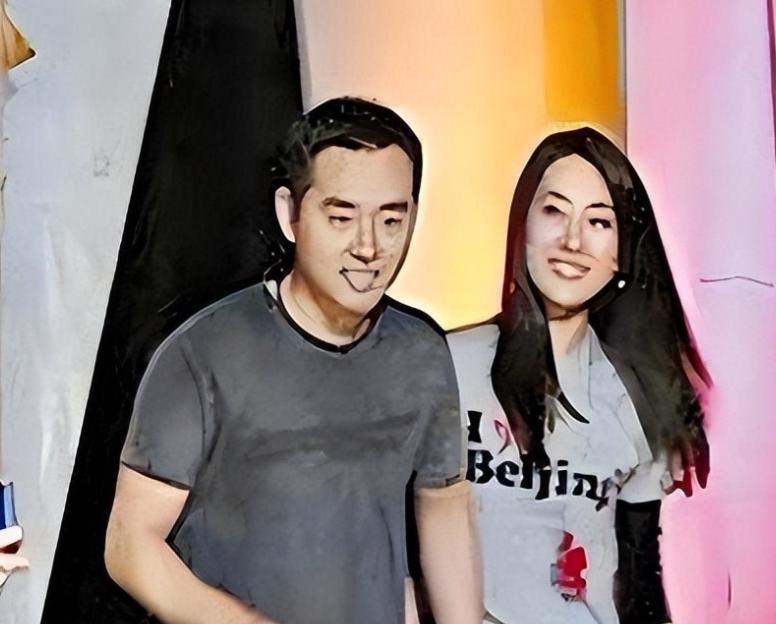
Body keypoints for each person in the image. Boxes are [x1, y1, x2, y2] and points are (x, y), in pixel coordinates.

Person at [105, 97, 482, 624]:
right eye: (342, 217)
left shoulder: (421, 351)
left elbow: (443, 506)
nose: (369, 246)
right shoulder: (204, 351)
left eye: (392, 219)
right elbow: (130, 546)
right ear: (291, 213)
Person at [447, 127, 709, 624]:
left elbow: (638, 582)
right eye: (554, 211)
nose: (572, 240)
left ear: (622, 252)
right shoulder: (450, 365)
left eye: (598, 221)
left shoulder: (636, 399)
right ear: (522, 224)